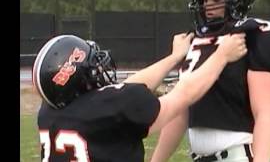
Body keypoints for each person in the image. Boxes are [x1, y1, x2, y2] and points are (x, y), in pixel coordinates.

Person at [32, 32, 247, 162]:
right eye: (92, 67)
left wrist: (174, 57)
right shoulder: (112, 108)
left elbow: (125, 89)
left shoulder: (50, 112)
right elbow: (184, 94)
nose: (98, 69)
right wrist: (222, 56)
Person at [151, 0, 270, 162]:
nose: (207, 5)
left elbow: (265, 115)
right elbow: (180, 112)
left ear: (238, 2)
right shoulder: (194, 40)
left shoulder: (253, 37)